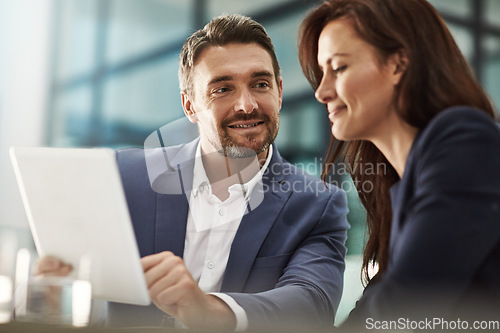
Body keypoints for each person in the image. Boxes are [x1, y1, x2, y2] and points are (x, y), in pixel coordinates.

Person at [37, 14, 349, 331]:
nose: (246, 104)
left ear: (279, 92)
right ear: (190, 106)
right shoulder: (125, 177)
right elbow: (79, 281)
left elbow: (312, 303)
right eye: (222, 89)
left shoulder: (317, 205)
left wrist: (207, 309)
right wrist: (56, 287)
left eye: (260, 84)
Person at [298, 0, 500, 328]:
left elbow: (406, 302)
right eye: (322, 73)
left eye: (339, 68)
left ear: (398, 63)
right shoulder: (400, 188)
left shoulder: (465, 138)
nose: (322, 91)